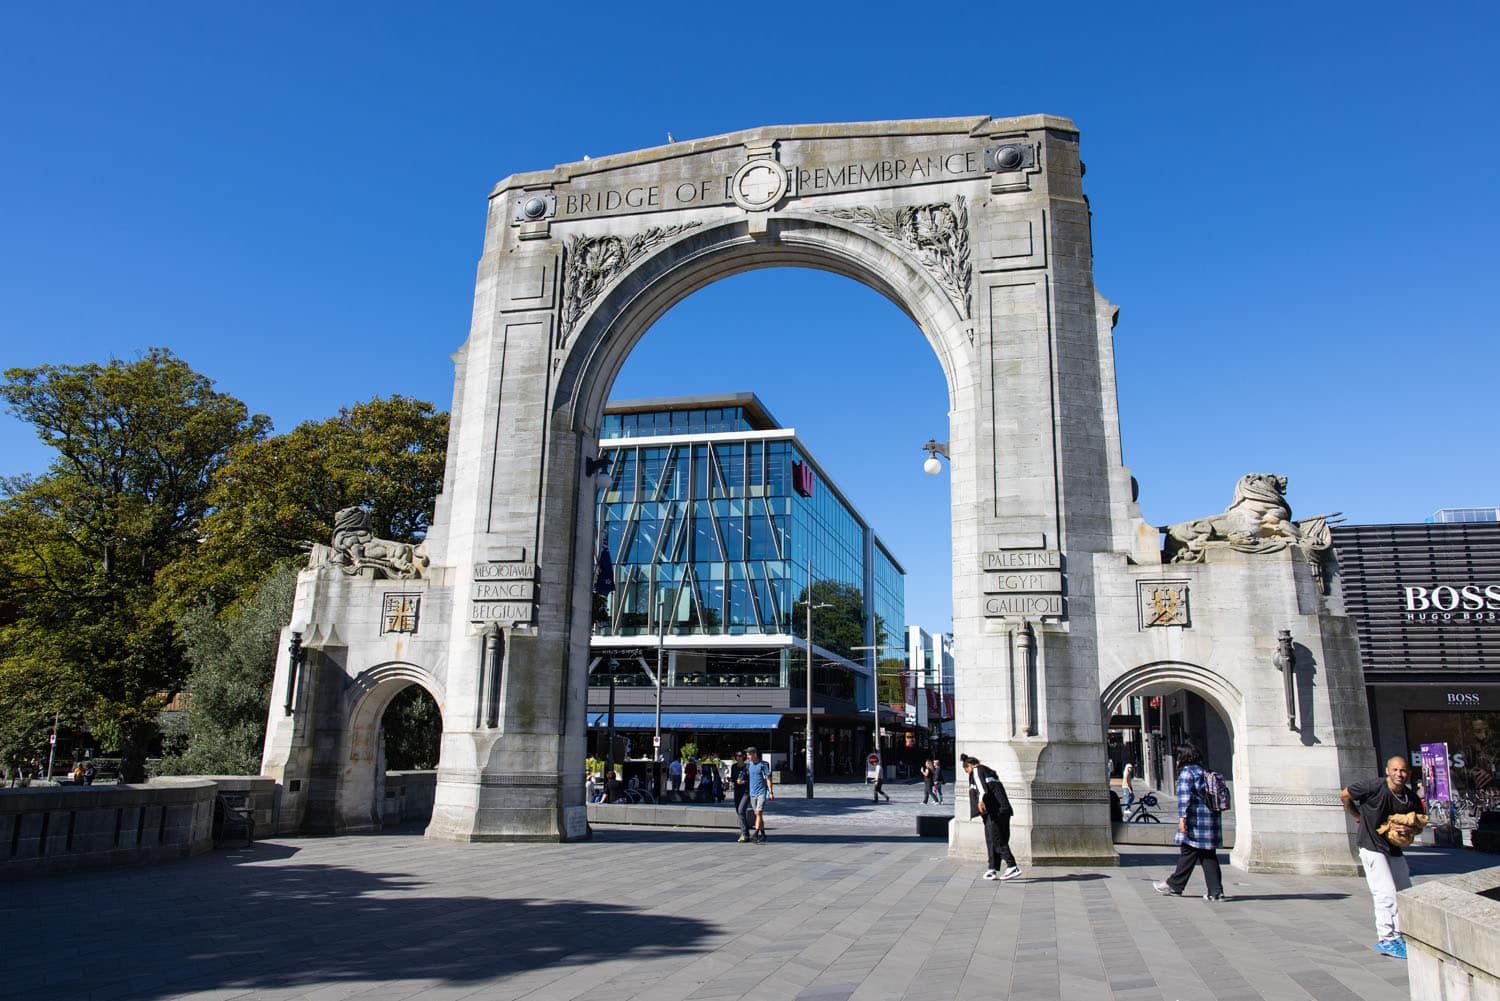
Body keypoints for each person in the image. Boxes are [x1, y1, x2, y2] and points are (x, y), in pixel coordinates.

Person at [1342, 756, 1424, 959]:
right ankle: (1387, 938)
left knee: (1404, 892)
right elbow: (1345, 795)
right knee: (1385, 893)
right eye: (1395, 770)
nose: (1399, 774)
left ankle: (1401, 934)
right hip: (1371, 846)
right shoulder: (1373, 787)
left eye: (1403, 771)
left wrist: (1408, 829)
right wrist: (1356, 815)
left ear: (1408, 774)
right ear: (1388, 771)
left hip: (1394, 848)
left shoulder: (1410, 798)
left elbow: (1419, 826)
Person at [1152, 742, 1226, 901]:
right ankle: (1216, 891)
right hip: (1211, 820)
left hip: (1195, 821)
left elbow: (1184, 799)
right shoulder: (1205, 770)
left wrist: (1182, 820)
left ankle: (1174, 884)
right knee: (1207, 855)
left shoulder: (1187, 773)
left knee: (1188, 851)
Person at [962, 754, 1021, 881]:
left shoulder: (977, 770)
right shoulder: (990, 772)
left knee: (996, 839)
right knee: (995, 838)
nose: (968, 774)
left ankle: (1012, 866)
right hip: (1003, 810)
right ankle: (992, 868)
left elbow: (982, 788)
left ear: (969, 766)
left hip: (994, 811)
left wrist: (980, 801)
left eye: (966, 771)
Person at [745, 746, 773, 843]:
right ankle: (764, 834)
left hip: (762, 792)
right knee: (758, 814)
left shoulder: (763, 765)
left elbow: (768, 778)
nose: (747, 756)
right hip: (752, 793)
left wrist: (771, 792)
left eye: (749, 754)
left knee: (759, 812)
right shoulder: (748, 765)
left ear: (754, 754)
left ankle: (756, 834)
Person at [730, 750, 753, 842]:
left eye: (740, 756)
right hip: (737, 791)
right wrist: (732, 781)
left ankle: (743, 834)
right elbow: (733, 778)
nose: (738, 757)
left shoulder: (748, 767)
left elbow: (752, 780)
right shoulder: (734, 767)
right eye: (736, 756)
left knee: (741, 810)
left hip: (746, 791)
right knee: (739, 812)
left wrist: (743, 782)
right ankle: (746, 834)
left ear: (743, 756)